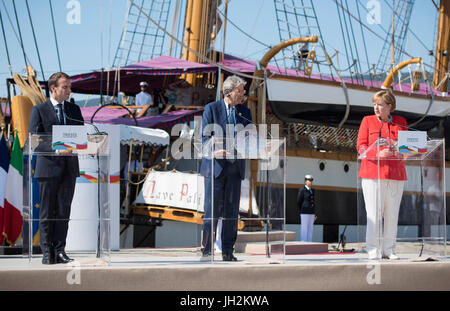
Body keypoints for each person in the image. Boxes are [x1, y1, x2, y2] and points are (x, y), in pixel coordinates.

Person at [29, 72, 84, 264]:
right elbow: (35, 141)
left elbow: (80, 136)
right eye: (65, 87)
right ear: (53, 88)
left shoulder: (74, 110)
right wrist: (57, 149)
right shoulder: (39, 110)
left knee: (63, 211)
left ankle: (60, 250)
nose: (69, 90)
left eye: (69, 87)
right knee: (47, 211)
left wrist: (80, 145)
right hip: (48, 168)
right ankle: (46, 252)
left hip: (69, 168)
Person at [200, 75, 252, 261]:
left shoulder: (245, 112)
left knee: (231, 213)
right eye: (240, 91)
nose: (242, 95)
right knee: (211, 212)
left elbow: (250, 137)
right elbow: (204, 137)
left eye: (243, 92)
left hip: (235, 169)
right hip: (215, 168)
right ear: (228, 92)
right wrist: (213, 150)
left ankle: (228, 252)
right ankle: (207, 252)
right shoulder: (211, 109)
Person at [357, 90, 407, 260]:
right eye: (374, 104)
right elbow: (361, 146)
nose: (376, 108)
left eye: (379, 104)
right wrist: (377, 153)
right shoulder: (367, 121)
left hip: (396, 174)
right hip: (372, 174)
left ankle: (389, 249)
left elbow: (407, 147)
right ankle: (372, 249)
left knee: (392, 213)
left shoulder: (401, 122)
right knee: (374, 213)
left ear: (389, 106)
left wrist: (402, 152)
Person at [297, 174, 315, 242]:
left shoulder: (312, 190)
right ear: (305, 181)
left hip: (311, 212)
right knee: (304, 229)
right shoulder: (302, 190)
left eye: (311, 180)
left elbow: (313, 201)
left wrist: (314, 211)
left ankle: (309, 242)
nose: (310, 182)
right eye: (309, 180)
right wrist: (303, 208)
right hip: (304, 211)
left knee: (310, 229)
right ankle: (303, 242)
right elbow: (299, 201)